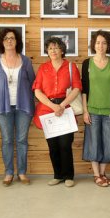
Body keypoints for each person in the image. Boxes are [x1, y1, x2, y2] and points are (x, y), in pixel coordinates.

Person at [32, 37, 81, 187]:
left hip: (66, 108)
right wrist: (53, 106)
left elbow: (77, 88)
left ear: (62, 50)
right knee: (52, 146)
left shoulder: (71, 67)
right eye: (50, 48)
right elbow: (37, 91)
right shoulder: (43, 68)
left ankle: (68, 176)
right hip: (48, 109)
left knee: (66, 144)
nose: (53, 50)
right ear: (47, 51)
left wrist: (62, 105)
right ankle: (57, 175)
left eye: (56, 47)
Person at [0, 28, 35, 187]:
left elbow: (32, 82)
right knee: (7, 140)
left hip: (23, 106)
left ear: (17, 42)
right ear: (1, 42)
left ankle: (22, 172)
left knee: (22, 140)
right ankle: (9, 172)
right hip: (3, 108)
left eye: (13, 38)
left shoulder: (26, 61)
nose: (9, 41)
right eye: (6, 38)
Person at [81, 30, 110, 187]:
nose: (100, 45)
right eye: (98, 42)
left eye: (104, 43)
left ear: (108, 45)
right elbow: (84, 90)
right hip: (92, 110)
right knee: (93, 143)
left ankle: (103, 172)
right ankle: (96, 174)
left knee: (109, 143)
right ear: (94, 45)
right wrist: (85, 111)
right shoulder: (87, 63)